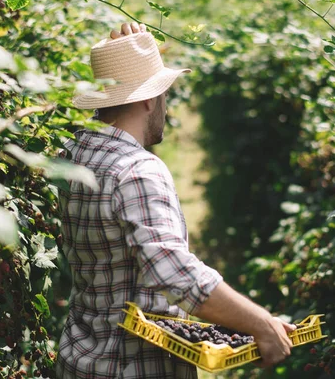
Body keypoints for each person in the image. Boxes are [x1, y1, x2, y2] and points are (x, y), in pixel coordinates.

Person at [56, 22, 295, 379]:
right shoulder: (137, 170)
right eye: (163, 93)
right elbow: (175, 273)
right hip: (131, 368)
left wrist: (127, 59)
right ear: (150, 98)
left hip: (80, 358)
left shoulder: (73, 153)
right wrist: (260, 323)